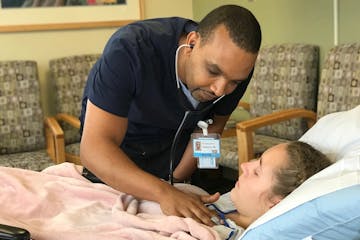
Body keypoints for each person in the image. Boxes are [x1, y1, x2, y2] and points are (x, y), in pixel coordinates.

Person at [79, 4, 261, 226]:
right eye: (213, 72)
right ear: (192, 43)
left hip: (176, 165)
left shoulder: (236, 69)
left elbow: (211, 128)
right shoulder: (130, 50)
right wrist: (162, 191)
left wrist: (180, 183)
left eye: (234, 82)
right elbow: (94, 149)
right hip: (116, 166)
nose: (220, 90)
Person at [207, 141, 332, 238]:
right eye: (257, 159)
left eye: (257, 172)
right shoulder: (230, 204)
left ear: (276, 203)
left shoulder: (219, 235)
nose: (244, 165)